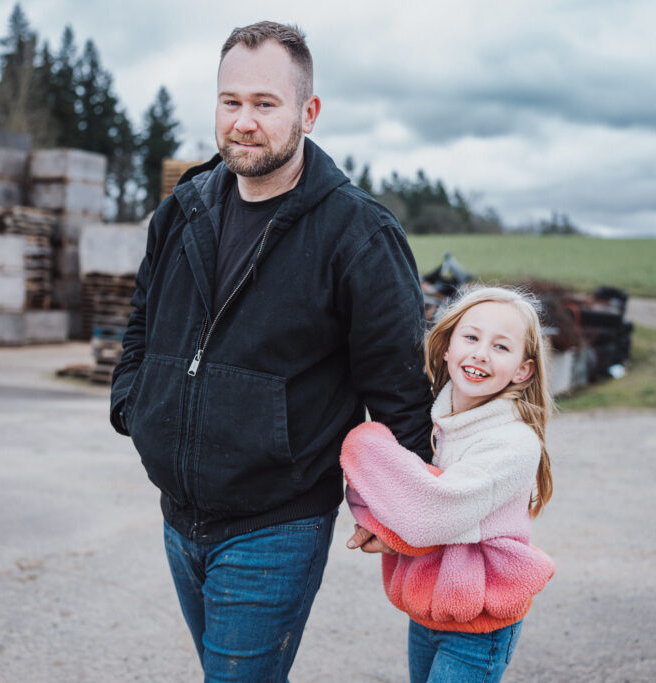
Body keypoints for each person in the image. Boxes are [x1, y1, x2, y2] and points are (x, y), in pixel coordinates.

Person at [109, 20, 433, 682]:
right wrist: (133, 403)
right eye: (231, 102)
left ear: (308, 113)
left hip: (276, 523)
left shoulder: (359, 233)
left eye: (265, 103)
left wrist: (392, 500)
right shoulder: (185, 208)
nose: (244, 122)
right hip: (179, 513)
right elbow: (143, 317)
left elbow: (399, 385)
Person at [341, 286, 556, 683]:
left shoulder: (514, 442)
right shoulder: (431, 424)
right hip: (429, 608)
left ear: (523, 370)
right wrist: (392, 510)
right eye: (471, 338)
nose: (480, 354)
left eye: (501, 347)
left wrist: (364, 444)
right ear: (446, 347)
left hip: (481, 619)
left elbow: (434, 513)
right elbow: (371, 492)